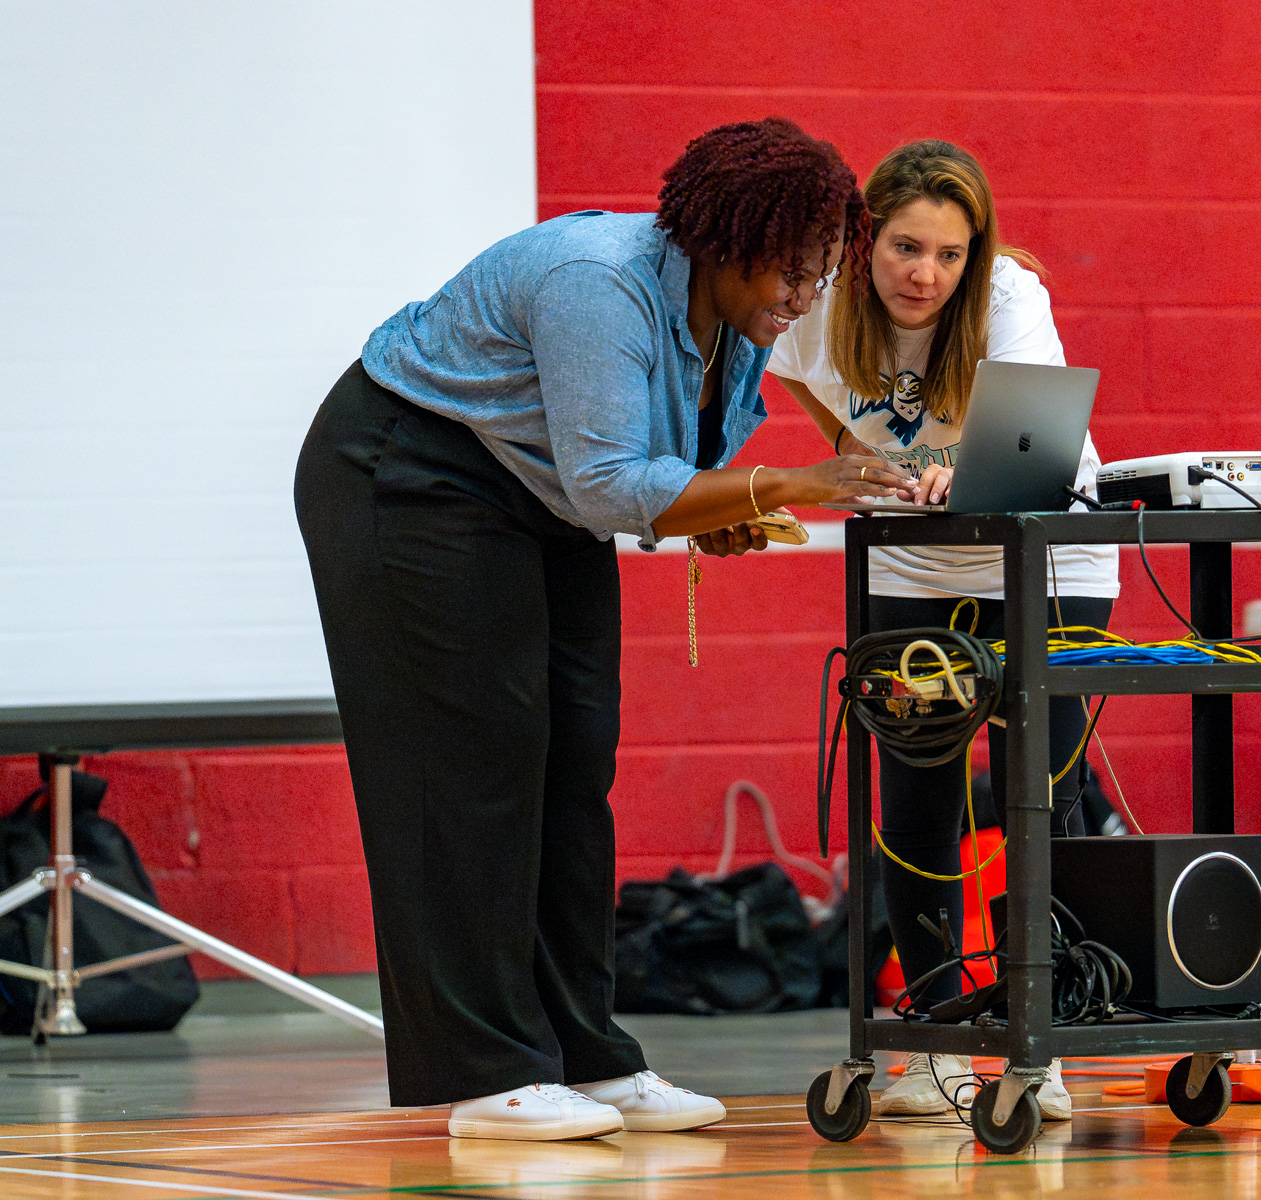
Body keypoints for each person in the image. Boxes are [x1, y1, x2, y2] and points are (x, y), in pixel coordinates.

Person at [294, 118, 912, 1143]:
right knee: (475, 762)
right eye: (792, 274)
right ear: (727, 239)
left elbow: (649, 466)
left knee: (577, 757)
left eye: (821, 275)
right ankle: (489, 1073)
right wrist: (797, 481)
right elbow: (612, 482)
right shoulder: (603, 284)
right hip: (407, 475)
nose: (807, 298)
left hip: (531, 494)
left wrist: (726, 510)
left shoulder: (734, 318)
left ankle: (586, 1054)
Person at [767, 140, 1120, 1120]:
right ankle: (928, 1039)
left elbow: (1033, 440)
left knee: (1036, 794)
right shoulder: (821, 301)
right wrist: (855, 452)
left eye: (949, 254)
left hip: (1045, 561)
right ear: (864, 237)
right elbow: (797, 376)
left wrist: (959, 472)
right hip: (913, 564)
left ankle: (1034, 1044)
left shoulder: (1009, 297)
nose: (925, 274)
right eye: (905, 249)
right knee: (915, 791)